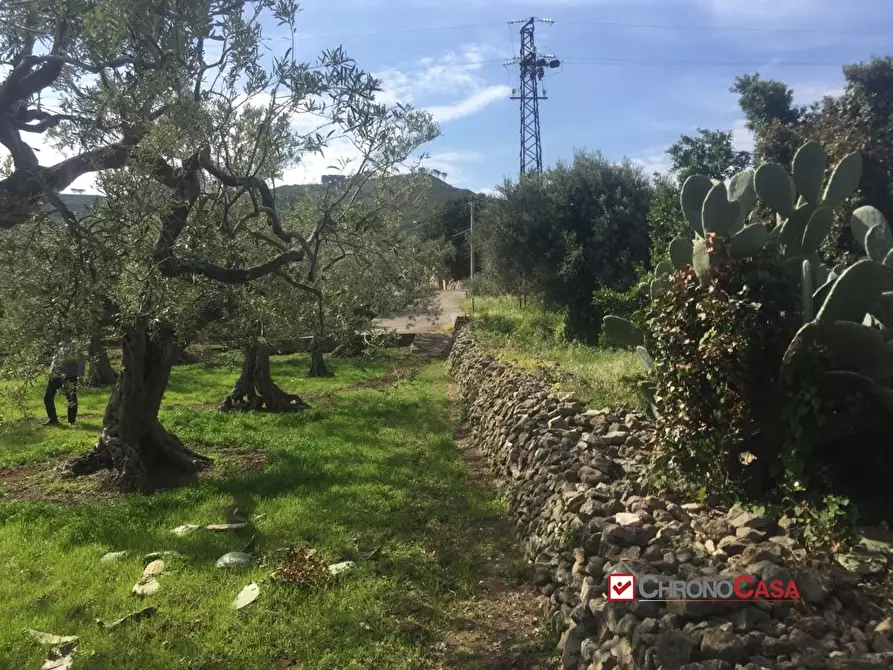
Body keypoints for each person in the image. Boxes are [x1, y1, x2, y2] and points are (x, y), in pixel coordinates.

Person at [44, 333, 85, 427]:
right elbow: (55, 361)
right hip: (55, 375)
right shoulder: (59, 346)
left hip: (69, 375)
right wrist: (50, 372)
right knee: (48, 397)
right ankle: (53, 419)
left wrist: (81, 376)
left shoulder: (74, 346)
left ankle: (71, 421)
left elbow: (81, 360)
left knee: (71, 398)